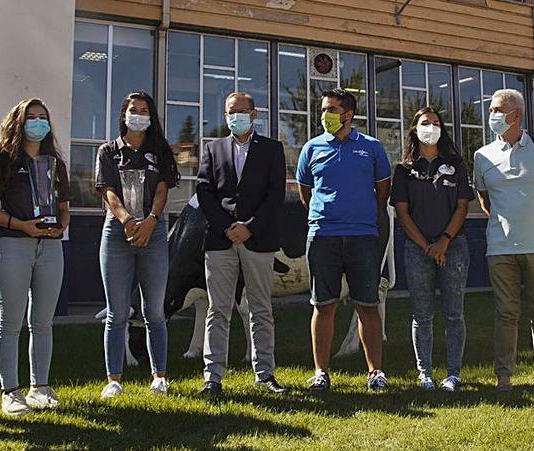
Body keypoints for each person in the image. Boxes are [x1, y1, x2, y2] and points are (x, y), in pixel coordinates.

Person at [0, 98, 70, 416]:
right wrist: (21, 226)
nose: (38, 122)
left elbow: (63, 207)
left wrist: (60, 226)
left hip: (50, 248)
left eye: (43, 117)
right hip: (13, 246)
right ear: (18, 122)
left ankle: (40, 387)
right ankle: (10, 393)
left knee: (43, 322)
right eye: (31, 117)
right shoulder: (3, 160)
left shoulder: (55, 161)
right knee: (10, 323)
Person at [471, 88, 534, 392]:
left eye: (497, 110)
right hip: (500, 248)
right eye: (490, 110)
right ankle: (504, 378)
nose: (492, 116)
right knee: (506, 313)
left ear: (516, 114)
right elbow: (484, 201)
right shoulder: (482, 155)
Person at [295, 88, 392, 392]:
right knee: (323, 305)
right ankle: (321, 372)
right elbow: (305, 192)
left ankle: (375, 372)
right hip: (323, 235)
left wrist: (360, 214)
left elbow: (382, 191)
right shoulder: (311, 148)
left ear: (348, 114)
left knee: (367, 304)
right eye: (324, 109)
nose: (325, 115)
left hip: (363, 236)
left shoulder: (373, 147)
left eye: (332, 109)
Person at [197, 92, 287, 396]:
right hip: (220, 242)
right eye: (229, 113)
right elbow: (204, 192)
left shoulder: (272, 150)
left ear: (254, 113)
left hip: (257, 240)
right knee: (218, 310)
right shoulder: (213, 148)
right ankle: (213, 377)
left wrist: (249, 228)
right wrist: (227, 227)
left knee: (261, 310)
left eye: (240, 112)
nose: (235, 117)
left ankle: (265, 374)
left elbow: (275, 196)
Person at [94, 91, 179, 398]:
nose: (139, 115)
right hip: (117, 233)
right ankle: (113, 379)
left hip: (154, 232)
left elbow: (161, 190)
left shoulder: (161, 150)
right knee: (116, 313)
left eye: (144, 110)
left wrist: (151, 220)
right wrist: (128, 221)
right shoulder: (108, 151)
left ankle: (159, 376)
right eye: (133, 110)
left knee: (153, 311)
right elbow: (108, 193)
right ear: (124, 114)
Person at [391, 107, 473, 392]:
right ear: (414, 129)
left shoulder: (455, 164)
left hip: (454, 247)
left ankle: (453, 374)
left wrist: (444, 241)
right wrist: (426, 245)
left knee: (454, 313)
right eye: (425, 123)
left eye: (436, 123)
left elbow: (463, 206)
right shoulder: (404, 170)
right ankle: (425, 373)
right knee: (422, 314)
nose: (431, 127)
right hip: (418, 250)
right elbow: (402, 213)